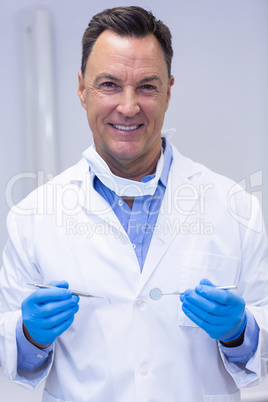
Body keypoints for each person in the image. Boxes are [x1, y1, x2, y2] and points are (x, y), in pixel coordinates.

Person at [0, 6, 268, 402]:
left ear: (169, 91)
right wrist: (27, 335)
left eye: (147, 86)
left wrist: (241, 332)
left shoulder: (235, 208)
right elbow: (12, 355)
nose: (128, 107)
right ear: (81, 88)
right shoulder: (31, 217)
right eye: (109, 84)